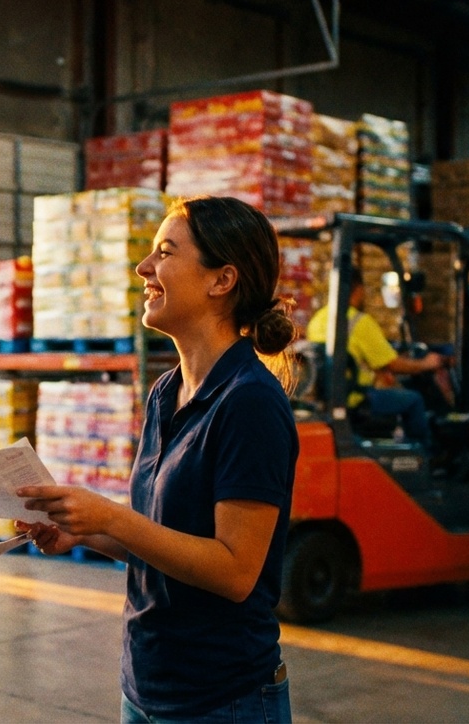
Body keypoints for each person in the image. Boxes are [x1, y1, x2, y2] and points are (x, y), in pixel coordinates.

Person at [17, 196, 298, 723]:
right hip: (146, 688)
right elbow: (164, 543)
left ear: (222, 280)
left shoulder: (250, 403)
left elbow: (235, 571)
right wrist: (85, 534)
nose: (144, 268)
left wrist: (110, 516)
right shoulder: (166, 393)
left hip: (221, 699)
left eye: (165, 253)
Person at [305, 267, 445, 444]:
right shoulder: (359, 322)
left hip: (329, 399)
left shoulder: (317, 319)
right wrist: (427, 363)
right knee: (414, 400)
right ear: (359, 289)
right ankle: (426, 455)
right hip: (357, 399)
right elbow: (393, 364)